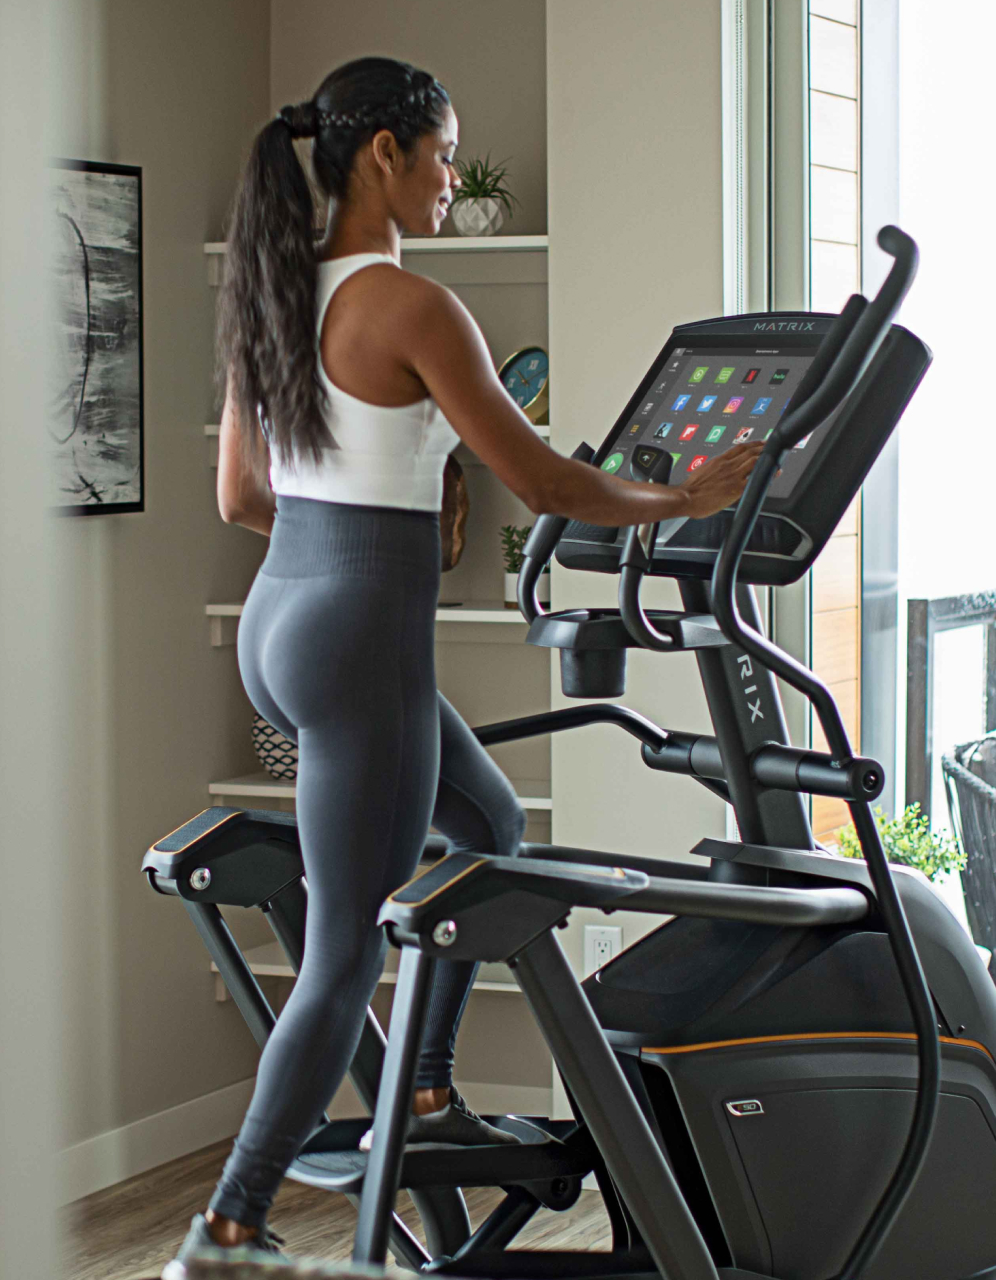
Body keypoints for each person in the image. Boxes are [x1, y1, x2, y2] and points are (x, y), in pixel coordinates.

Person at [179, 56, 763, 1260]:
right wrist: (682, 493)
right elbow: (543, 478)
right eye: (443, 153)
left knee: (491, 829)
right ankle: (229, 1222)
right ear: (383, 153)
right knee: (345, 951)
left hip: (278, 618)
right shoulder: (412, 307)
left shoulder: (277, 295)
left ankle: (429, 1088)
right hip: (355, 639)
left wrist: (355, 511)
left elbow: (242, 492)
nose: (452, 178)